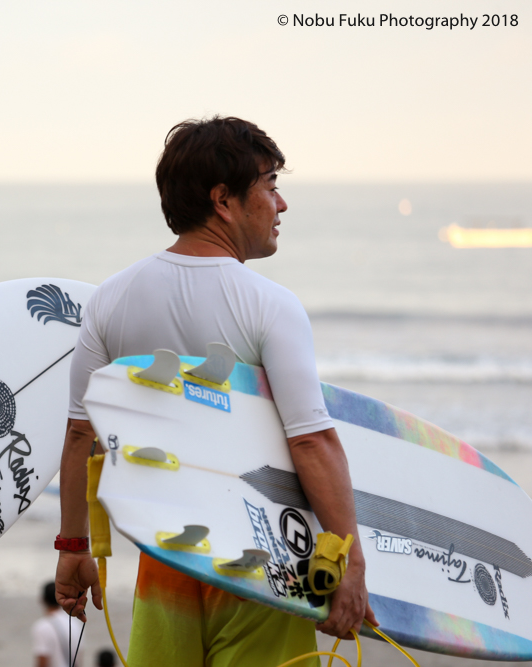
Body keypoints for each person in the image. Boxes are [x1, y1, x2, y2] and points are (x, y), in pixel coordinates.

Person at [53, 117, 376, 666]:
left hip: (166, 562)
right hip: (261, 569)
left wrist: (73, 548)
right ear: (223, 199)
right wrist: (352, 561)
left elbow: (82, 435)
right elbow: (310, 441)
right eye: (270, 185)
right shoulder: (270, 305)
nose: (281, 204)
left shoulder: (109, 300)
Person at [32, 582, 84, 667]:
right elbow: (79, 656)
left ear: (43, 600)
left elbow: (42, 661)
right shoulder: (75, 623)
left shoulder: (42, 626)